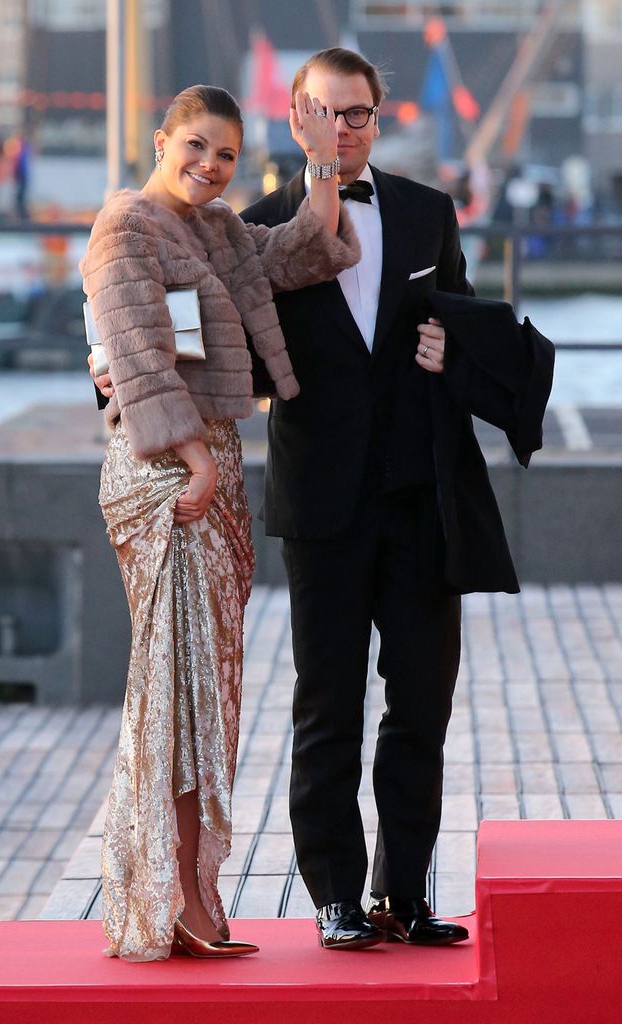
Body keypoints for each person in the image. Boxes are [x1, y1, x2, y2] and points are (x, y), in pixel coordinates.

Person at [238, 48, 551, 951]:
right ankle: (336, 894)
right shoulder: (256, 227)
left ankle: (402, 893)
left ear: (381, 118)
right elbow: (228, 355)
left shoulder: (426, 212)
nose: (342, 130)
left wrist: (453, 358)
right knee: (327, 703)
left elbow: (461, 322)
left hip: (421, 496)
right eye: (325, 113)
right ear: (297, 118)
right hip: (323, 504)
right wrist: (119, 374)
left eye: (359, 114)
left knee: (422, 700)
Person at [80, 84, 359, 962]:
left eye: (227, 155)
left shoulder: (220, 230)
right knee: (175, 688)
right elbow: (132, 348)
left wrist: (319, 161)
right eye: (195, 146)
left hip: (214, 465)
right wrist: (194, 455)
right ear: (161, 139)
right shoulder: (126, 222)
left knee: (210, 690)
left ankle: (189, 894)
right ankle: (165, 900)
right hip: (164, 467)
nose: (209, 166)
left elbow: (303, 254)